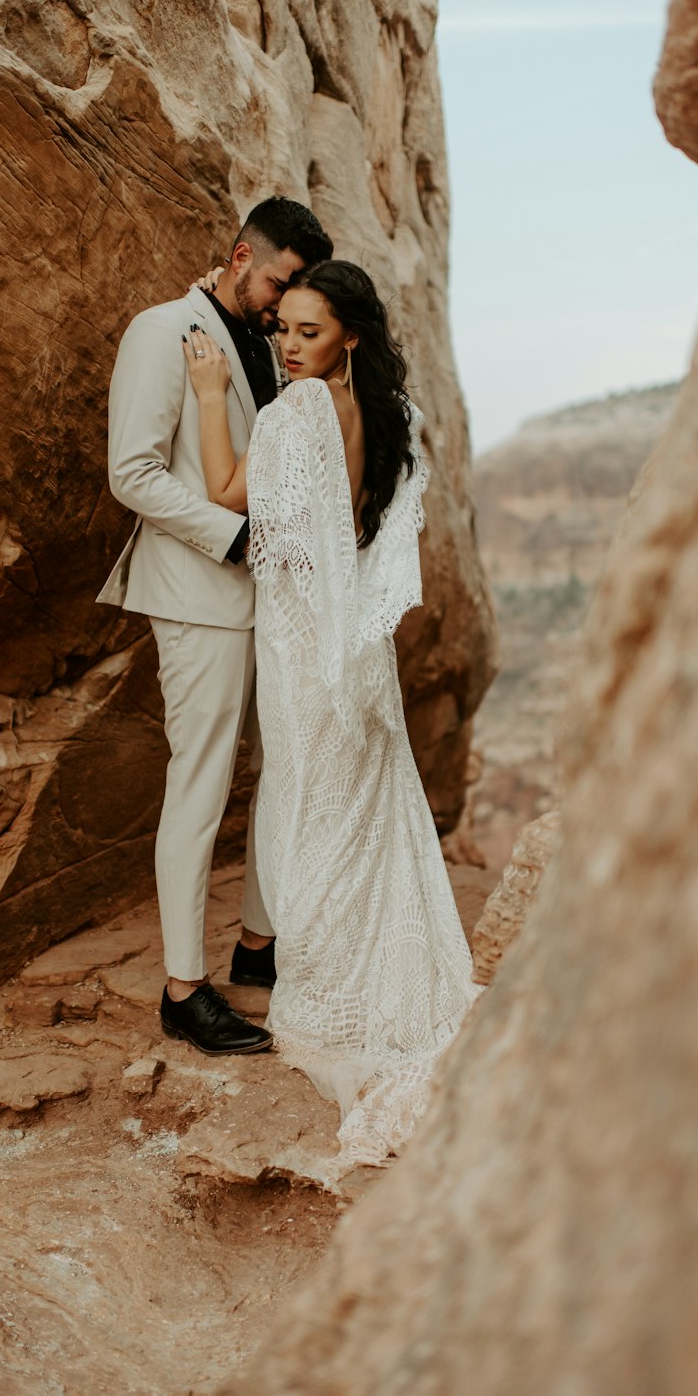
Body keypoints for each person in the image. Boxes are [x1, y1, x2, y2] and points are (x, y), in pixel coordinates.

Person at [184, 260, 480, 1169]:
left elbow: (228, 491)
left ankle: (324, 978)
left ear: (350, 334)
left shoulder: (300, 412)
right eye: (285, 329)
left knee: (310, 802)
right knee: (361, 809)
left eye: (310, 332)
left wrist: (207, 390)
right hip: (357, 646)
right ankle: (357, 962)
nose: (291, 345)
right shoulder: (393, 417)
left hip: (304, 643)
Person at [97, 197, 334, 1056]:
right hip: (199, 594)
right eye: (279, 281)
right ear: (241, 257)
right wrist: (233, 537)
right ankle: (183, 989)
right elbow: (133, 471)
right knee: (199, 784)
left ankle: (257, 950)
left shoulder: (275, 348)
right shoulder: (160, 331)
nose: (285, 302)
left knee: (284, 769)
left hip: (274, 601)